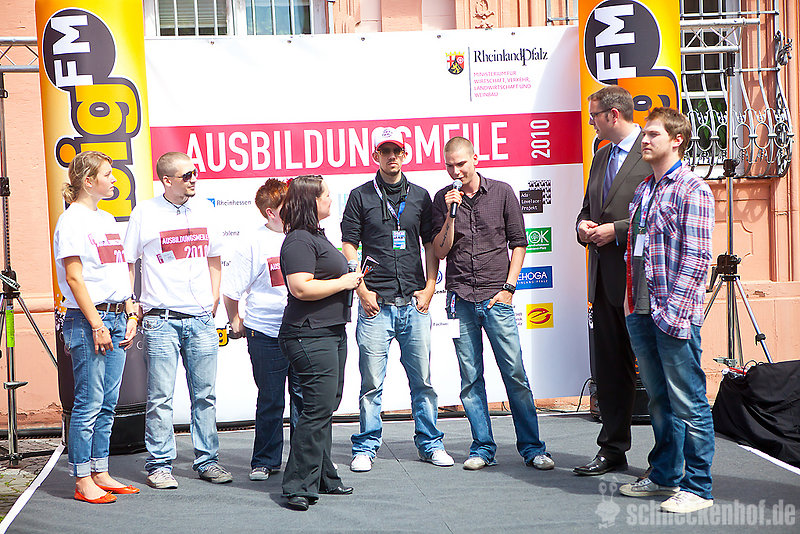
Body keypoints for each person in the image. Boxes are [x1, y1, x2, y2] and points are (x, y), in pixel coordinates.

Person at [431, 136, 553, 471]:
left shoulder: (502, 192)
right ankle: (482, 448)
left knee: (514, 373)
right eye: (450, 166)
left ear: (475, 159)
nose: (456, 171)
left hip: (496, 297)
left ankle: (533, 448)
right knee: (470, 377)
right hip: (458, 299)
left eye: (461, 163)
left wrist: (509, 288)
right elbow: (440, 250)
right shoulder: (443, 199)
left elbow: (519, 242)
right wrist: (450, 216)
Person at [618, 107, 715, 514]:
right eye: (644, 134)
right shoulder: (644, 189)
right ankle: (664, 475)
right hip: (641, 309)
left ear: (677, 140)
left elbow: (697, 258)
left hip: (673, 314)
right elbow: (636, 249)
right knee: (659, 400)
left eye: (653, 134)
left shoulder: (693, 189)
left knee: (689, 401)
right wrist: (631, 303)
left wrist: (674, 313)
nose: (645, 140)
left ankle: (698, 487)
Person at [341, 127, 453, 472]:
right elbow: (349, 244)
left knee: (423, 383)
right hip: (375, 306)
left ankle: (430, 444)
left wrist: (431, 286)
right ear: (375, 156)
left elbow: (430, 244)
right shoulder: (360, 196)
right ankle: (366, 447)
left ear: (405, 155)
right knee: (371, 384)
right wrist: (361, 289)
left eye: (397, 151)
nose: (392, 157)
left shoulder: (420, 196)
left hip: (413, 304)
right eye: (385, 151)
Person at [123, 151, 231, 489]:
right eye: (186, 175)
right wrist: (131, 305)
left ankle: (207, 461)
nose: (194, 179)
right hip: (161, 320)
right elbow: (128, 262)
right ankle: (159, 465)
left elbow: (215, 256)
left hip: (200, 319)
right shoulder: (145, 212)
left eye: (195, 173)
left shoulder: (206, 209)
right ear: (167, 180)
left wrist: (214, 296)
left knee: (205, 395)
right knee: (160, 398)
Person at [574, 85, 657, 476]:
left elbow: (657, 212)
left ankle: (664, 460)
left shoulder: (651, 150)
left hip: (641, 282)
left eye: (594, 116)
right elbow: (588, 209)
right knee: (610, 370)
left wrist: (616, 230)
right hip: (603, 280)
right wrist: (583, 227)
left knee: (654, 372)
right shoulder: (601, 155)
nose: (591, 122)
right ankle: (612, 449)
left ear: (613, 115)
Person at [53, 151, 139, 503]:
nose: (114, 179)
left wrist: (130, 309)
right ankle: (82, 477)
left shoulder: (105, 218)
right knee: (89, 402)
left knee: (108, 402)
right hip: (90, 321)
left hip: (116, 316)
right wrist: (97, 324)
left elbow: (118, 270)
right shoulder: (72, 221)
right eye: (107, 174)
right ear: (88, 181)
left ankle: (100, 470)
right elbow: (74, 278)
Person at [279, 175, 362, 511]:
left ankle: (324, 476)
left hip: (330, 331)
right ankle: (297, 485)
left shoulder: (316, 236)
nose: (331, 199)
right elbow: (300, 287)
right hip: (309, 333)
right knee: (316, 409)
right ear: (312, 201)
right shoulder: (299, 240)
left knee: (324, 406)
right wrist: (345, 281)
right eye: (326, 195)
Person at [222, 179, 303, 482]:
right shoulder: (253, 243)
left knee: (303, 398)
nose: (294, 209)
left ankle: (304, 459)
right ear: (271, 212)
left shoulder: (304, 235)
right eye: (286, 206)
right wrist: (235, 320)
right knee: (270, 399)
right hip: (266, 333)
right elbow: (231, 290)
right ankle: (265, 460)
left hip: (302, 331)